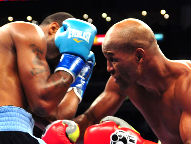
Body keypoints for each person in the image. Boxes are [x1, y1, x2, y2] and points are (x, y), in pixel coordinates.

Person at [73, 18, 191, 144]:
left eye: (113, 59)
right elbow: (90, 119)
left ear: (139, 56)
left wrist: (137, 142)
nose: (108, 68)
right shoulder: (124, 81)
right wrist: (66, 130)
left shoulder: (187, 83)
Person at [0, 11, 97, 144]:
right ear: (53, 29)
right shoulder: (27, 30)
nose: (62, 56)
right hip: (8, 132)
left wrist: (79, 78)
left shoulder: (15, 70)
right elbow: (43, 103)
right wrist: (73, 57)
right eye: (61, 52)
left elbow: (57, 119)